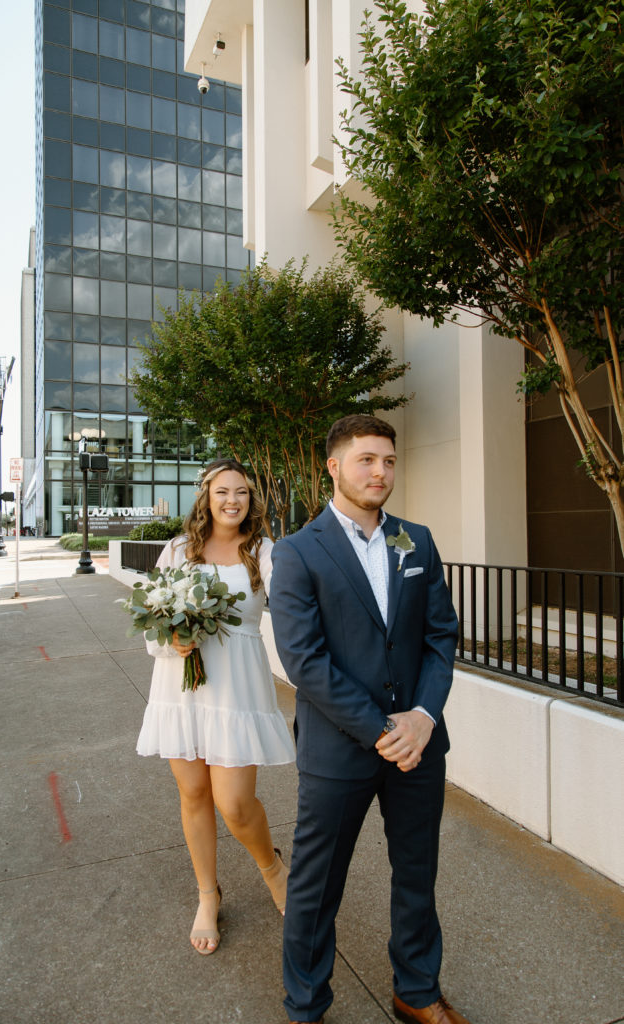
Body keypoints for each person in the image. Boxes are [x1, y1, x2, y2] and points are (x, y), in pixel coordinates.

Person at [269, 415, 471, 1024]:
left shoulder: (417, 540)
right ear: (334, 467)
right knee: (316, 884)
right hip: (340, 750)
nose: (380, 471)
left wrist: (423, 716)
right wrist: (386, 729)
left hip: (418, 748)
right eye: (366, 460)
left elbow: (440, 637)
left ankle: (417, 989)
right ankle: (306, 1004)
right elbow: (304, 660)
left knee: (417, 874)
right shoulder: (298, 550)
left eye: (388, 460)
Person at [137, 458, 295, 955]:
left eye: (242, 492)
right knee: (193, 795)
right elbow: (150, 621)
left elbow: (293, 608)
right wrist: (171, 643)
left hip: (237, 690)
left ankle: (272, 866)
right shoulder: (178, 550)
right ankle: (208, 893)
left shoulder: (263, 551)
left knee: (235, 803)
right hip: (180, 689)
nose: (232, 500)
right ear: (206, 496)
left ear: (252, 499)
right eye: (223, 491)